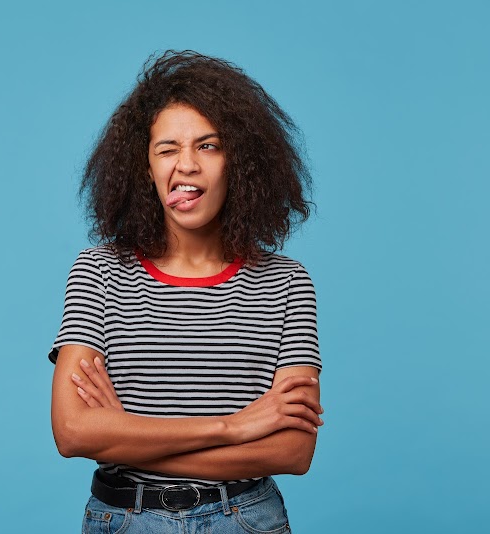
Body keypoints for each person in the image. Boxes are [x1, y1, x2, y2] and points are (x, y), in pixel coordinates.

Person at [48, 50, 323, 533]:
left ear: (241, 162)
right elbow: (73, 433)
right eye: (167, 148)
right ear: (145, 169)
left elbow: (293, 451)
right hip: (125, 520)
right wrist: (233, 426)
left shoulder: (287, 281)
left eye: (209, 146)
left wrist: (126, 436)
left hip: (245, 520)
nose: (187, 165)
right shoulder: (97, 272)